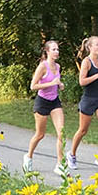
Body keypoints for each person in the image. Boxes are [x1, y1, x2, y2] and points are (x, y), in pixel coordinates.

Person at [67, 36, 98, 171]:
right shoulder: (86, 62)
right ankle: (72, 155)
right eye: (97, 45)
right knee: (82, 130)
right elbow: (82, 82)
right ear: (90, 47)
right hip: (88, 100)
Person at [24, 40, 66, 173]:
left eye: (58, 49)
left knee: (61, 133)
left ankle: (60, 165)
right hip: (42, 102)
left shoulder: (58, 66)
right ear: (47, 51)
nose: (57, 52)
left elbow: (55, 81)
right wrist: (51, 83)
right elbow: (33, 86)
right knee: (40, 134)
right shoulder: (43, 66)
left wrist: (59, 84)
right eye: (54, 49)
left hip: (55, 102)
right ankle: (28, 157)